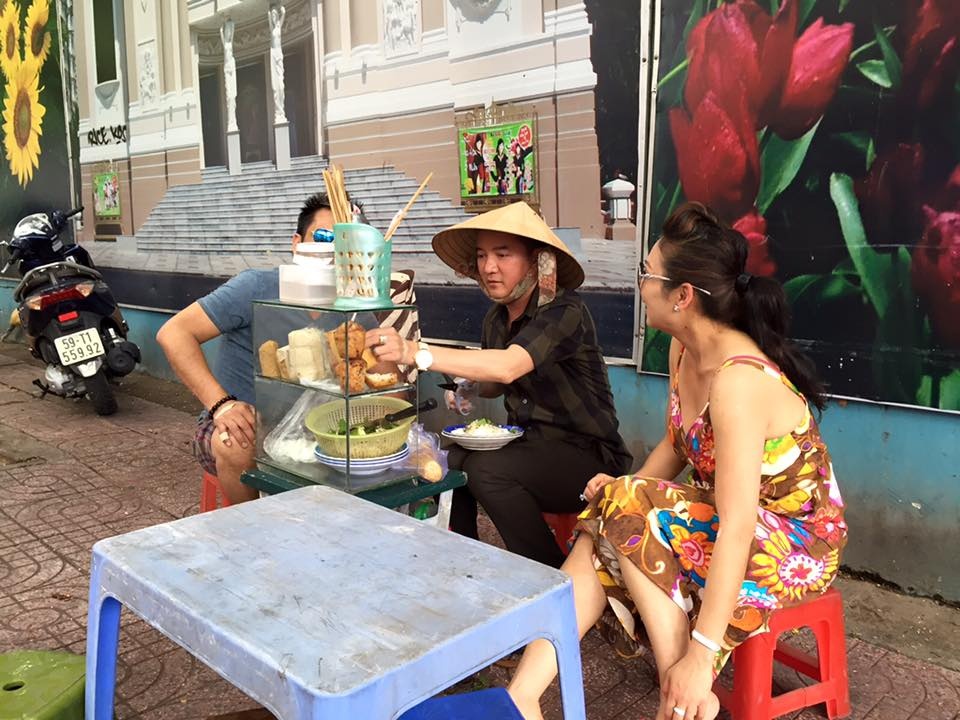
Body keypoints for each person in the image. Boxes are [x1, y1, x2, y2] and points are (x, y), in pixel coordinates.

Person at [483, 202, 846, 720]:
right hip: (732, 517)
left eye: (646, 273)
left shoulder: (738, 382)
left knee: (622, 505)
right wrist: (623, 499)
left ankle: (682, 696)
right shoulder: (684, 351)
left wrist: (702, 652)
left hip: (794, 541)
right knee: (610, 512)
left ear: (682, 296)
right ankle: (524, 695)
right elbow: (678, 446)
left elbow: (739, 525)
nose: (640, 284)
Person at [371, 201, 632, 569]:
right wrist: (468, 386)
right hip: (530, 446)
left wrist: (415, 351)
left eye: (503, 254)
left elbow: (509, 367)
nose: (489, 267)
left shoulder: (565, 311)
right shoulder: (496, 320)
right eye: (481, 255)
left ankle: (551, 573)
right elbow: (495, 384)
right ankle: (464, 560)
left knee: (488, 471)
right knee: (448, 460)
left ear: (536, 261)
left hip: (589, 455)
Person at [157, 192, 418, 505]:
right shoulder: (256, 286)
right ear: (297, 243)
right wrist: (221, 405)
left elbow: (392, 396)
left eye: (345, 243)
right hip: (239, 421)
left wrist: (388, 377)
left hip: (316, 429)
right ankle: (253, 526)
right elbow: (174, 333)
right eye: (323, 237)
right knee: (235, 442)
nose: (332, 251)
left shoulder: (354, 307)